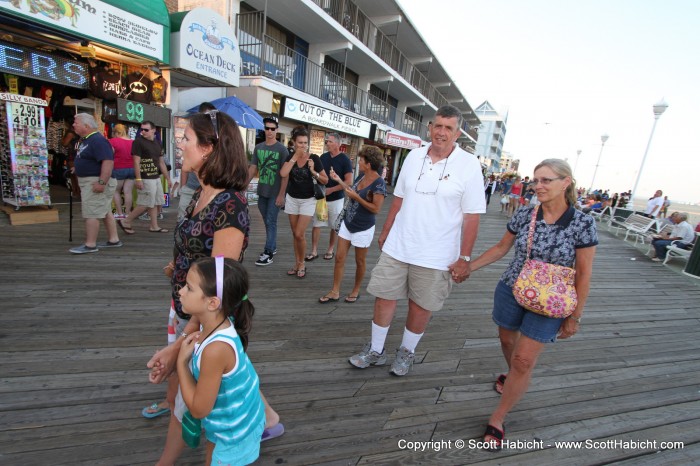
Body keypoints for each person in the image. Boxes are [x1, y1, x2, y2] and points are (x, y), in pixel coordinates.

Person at [147, 110, 283, 465]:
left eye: (187, 138)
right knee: (224, 378)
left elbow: (217, 292)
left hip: (201, 321)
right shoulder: (200, 193)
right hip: (185, 308)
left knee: (186, 394)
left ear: (209, 148)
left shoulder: (230, 205)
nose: (180, 144)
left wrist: (179, 346)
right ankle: (266, 418)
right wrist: (175, 268)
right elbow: (198, 253)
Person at [468, 159, 597, 451]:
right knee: (505, 339)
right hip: (513, 288)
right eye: (536, 180)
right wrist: (469, 267)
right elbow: (502, 247)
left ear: (566, 183)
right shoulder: (527, 213)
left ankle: (498, 417)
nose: (538, 185)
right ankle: (514, 376)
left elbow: (585, 272)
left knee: (524, 360)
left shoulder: (582, 222)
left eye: (546, 180)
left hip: (552, 300)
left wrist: (575, 316)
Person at [348, 104, 485, 376]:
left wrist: (465, 258)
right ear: (430, 128)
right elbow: (399, 198)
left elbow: (472, 217)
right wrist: (386, 231)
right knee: (384, 297)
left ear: (457, 133)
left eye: (448, 127)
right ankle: (376, 350)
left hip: (437, 253)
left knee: (421, 306)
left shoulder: (469, 166)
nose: (441, 132)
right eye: (437, 125)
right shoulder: (413, 156)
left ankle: (406, 352)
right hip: (399, 244)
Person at [177, 257, 265, 465]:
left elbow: (199, 409)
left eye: (189, 288)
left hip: (235, 435)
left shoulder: (216, 349)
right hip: (227, 424)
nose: (181, 291)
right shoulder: (215, 323)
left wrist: (181, 364)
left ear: (213, 303)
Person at [318, 146, 386, 304]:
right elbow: (350, 190)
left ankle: (356, 290)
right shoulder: (361, 177)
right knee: (339, 258)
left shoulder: (379, 184)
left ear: (368, 164)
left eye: (361, 160)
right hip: (347, 223)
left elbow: (376, 209)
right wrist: (338, 180)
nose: (358, 162)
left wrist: (357, 197)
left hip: (363, 227)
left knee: (360, 261)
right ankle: (335, 291)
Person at [279, 126, 328, 279]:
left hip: (308, 200)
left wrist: (313, 171)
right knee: (295, 234)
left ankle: (302, 264)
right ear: (294, 143)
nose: (303, 146)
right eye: (300, 143)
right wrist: (294, 157)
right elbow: (283, 173)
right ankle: (297, 262)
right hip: (292, 199)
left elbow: (325, 180)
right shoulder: (290, 157)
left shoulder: (314, 158)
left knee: (300, 233)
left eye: (305, 143)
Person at [69, 113, 122, 254]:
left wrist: (101, 182)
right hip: (92, 180)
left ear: (86, 126)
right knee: (105, 211)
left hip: (96, 182)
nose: (73, 125)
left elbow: (108, 162)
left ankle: (90, 244)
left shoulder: (97, 140)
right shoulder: (88, 140)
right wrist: (78, 167)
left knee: (91, 213)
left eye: (76, 122)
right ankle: (113, 239)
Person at [116, 120, 171, 234]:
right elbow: (136, 162)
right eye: (142, 130)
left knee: (155, 202)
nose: (143, 132)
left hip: (155, 177)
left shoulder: (157, 143)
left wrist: (167, 178)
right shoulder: (138, 142)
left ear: (153, 130)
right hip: (145, 177)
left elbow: (161, 162)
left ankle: (154, 226)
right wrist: (138, 179)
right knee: (145, 203)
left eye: (146, 130)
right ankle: (126, 221)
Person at [248, 117, 289, 266]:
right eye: (267, 128)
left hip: (275, 193)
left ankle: (268, 252)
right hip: (262, 191)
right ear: (263, 129)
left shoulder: (282, 150)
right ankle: (273, 245)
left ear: (277, 130)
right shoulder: (259, 148)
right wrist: (243, 184)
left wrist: (281, 195)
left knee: (271, 221)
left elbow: (285, 175)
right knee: (268, 221)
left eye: (272, 128)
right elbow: (253, 168)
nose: (269, 131)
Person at [309, 132, 353, 261]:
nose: (327, 143)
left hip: (337, 199)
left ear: (338, 144)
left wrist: (332, 189)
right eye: (327, 141)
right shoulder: (323, 157)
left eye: (330, 141)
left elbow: (349, 182)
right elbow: (318, 174)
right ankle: (314, 250)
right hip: (321, 197)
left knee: (334, 226)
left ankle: (330, 249)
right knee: (316, 224)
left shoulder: (345, 160)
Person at [108, 124, 135, 219]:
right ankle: (128, 214)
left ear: (116, 132)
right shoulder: (133, 142)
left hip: (118, 168)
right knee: (128, 192)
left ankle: (120, 214)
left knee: (116, 191)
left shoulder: (113, 141)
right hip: (132, 169)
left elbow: (109, 155)